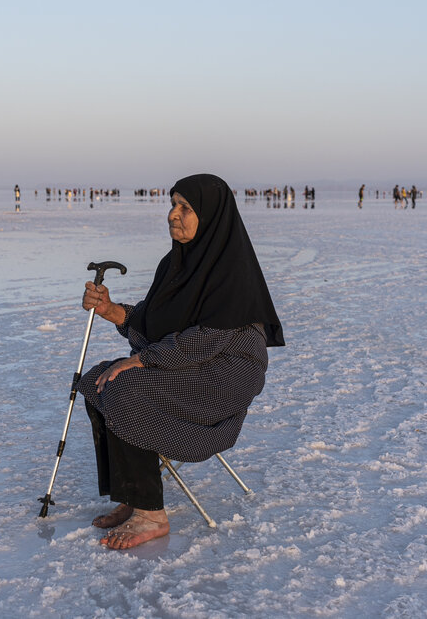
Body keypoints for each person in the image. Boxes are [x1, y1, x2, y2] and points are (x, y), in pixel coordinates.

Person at [78, 173, 284, 550]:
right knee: (96, 381)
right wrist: (109, 309)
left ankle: (151, 515)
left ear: (210, 215)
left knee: (125, 387)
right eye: (172, 205)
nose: (173, 215)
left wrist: (143, 361)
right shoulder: (174, 264)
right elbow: (154, 321)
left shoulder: (231, 270)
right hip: (188, 363)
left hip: (225, 375)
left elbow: (209, 337)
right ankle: (133, 493)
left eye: (185, 207)